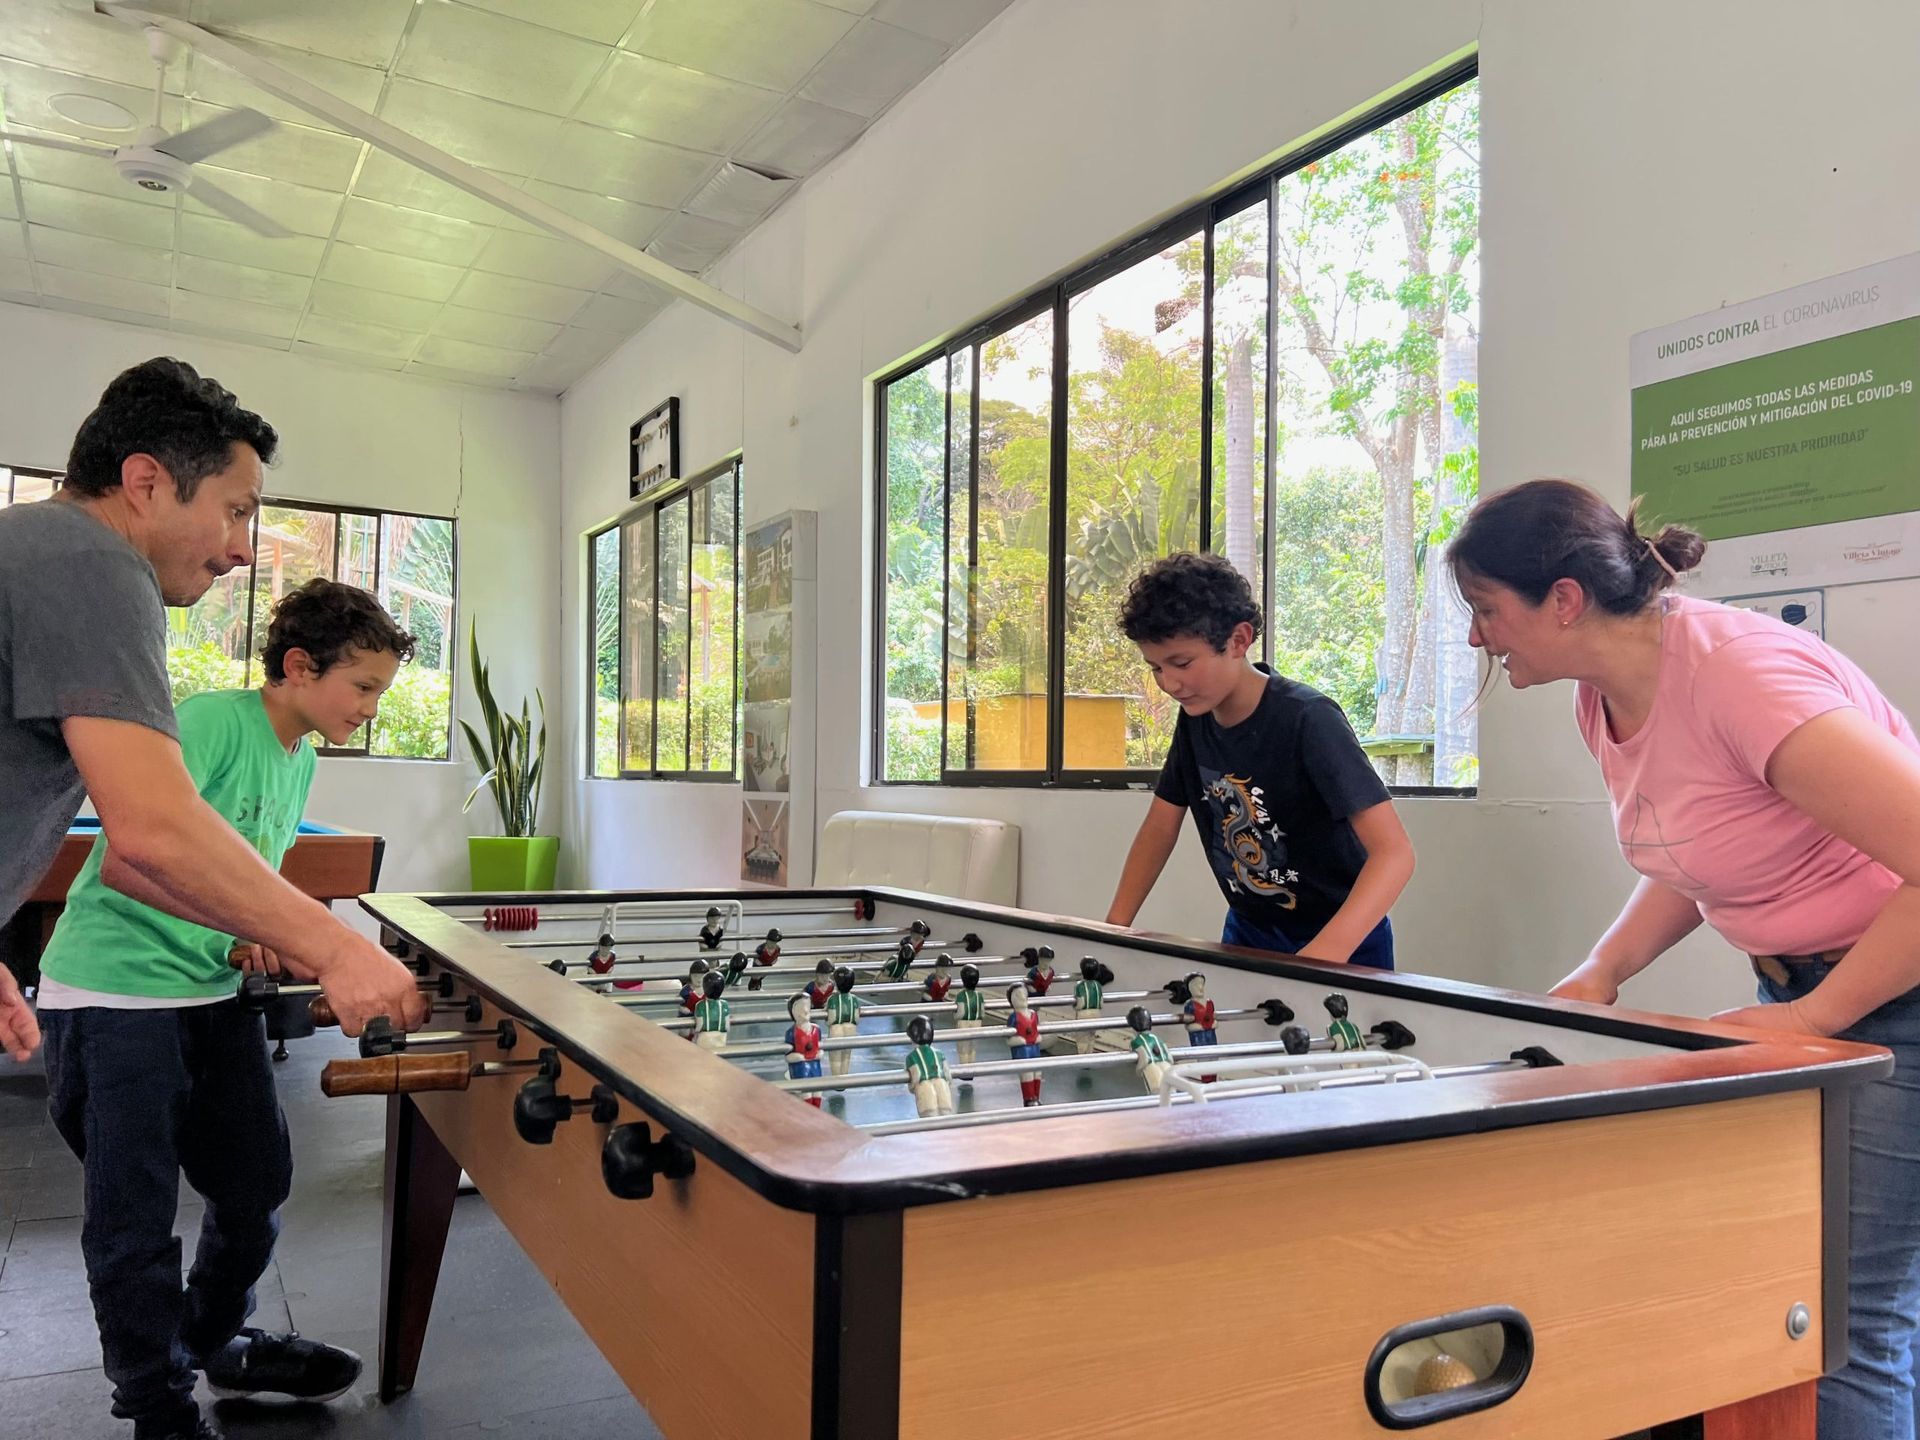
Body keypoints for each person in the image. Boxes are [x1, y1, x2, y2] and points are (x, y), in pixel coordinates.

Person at [1449, 476, 1920, 1439]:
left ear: (1564, 599)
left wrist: (1810, 1019)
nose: (1475, 638)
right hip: (1804, 995)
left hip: (1892, 995)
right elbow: (1700, 854)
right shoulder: (1603, 698)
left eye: (1486, 610)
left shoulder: (1742, 677)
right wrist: (1603, 970)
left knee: (1846, 1317)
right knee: (1787, 1283)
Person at [36, 579, 415, 1439]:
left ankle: (210, 1340)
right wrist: (285, 932)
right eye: (362, 687)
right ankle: (157, 1403)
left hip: (209, 996)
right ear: (299, 666)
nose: (371, 708)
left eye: (380, 692)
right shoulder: (210, 721)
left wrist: (253, 934)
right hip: (114, 996)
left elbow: (237, 884)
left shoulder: (300, 757)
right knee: (133, 1224)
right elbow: (131, 861)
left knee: (256, 1188)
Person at [0, 357, 426, 1065]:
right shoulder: (94, 562)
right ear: (146, 484)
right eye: (235, 512)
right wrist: (336, 947)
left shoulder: (38, 547)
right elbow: (151, 829)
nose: (243, 551)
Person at [1104, 553, 1414, 970]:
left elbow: (1394, 853)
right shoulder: (1195, 719)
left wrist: (1321, 958)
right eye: (1155, 667)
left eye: (1181, 663)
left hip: (1342, 937)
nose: (1169, 683)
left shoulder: (1308, 718)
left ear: (1238, 640)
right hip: (1249, 929)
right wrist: (1113, 929)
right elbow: (1160, 826)